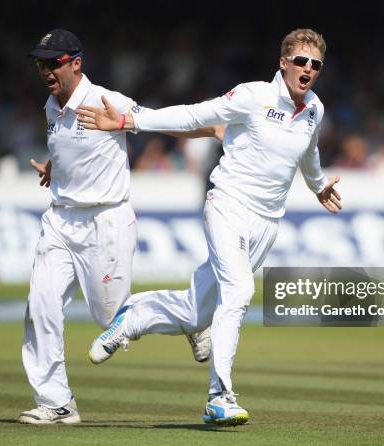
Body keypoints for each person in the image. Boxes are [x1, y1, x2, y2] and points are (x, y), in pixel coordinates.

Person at [77, 28, 342, 426]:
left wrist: (318, 185)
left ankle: (132, 317)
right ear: (284, 62)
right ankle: (220, 397)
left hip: (267, 223)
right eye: (301, 61)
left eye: (315, 64)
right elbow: (194, 114)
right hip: (228, 204)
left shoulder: (315, 109)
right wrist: (130, 121)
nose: (308, 69)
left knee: (198, 311)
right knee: (239, 293)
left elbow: (310, 151)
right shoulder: (253, 95)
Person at [20, 29, 219, 425]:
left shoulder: (105, 100)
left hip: (106, 220)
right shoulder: (51, 105)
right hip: (60, 220)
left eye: (54, 62)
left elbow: (160, 122)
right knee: (40, 306)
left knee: (111, 316)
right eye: (41, 63)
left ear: (76, 63)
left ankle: (189, 318)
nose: (46, 70)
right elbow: (68, 145)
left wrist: (211, 129)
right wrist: (53, 168)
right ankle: (57, 403)